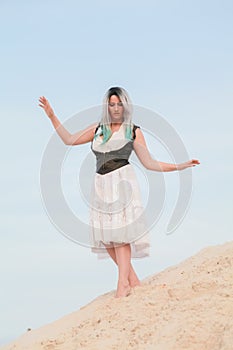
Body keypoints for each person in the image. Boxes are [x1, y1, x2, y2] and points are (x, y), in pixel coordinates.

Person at [38, 87, 200, 298]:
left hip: (122, 182)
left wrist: (180, 166)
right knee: (107, 238)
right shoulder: (98, 129)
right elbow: (68, 139)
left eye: (119, 104)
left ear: (125, 106)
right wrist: (52, 116)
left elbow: (149, 163)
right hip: (100, 185)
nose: (115, 108)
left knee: (121, 234)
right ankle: (133, 280)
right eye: (111, 104)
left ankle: (122, 283)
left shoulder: (132, 131)